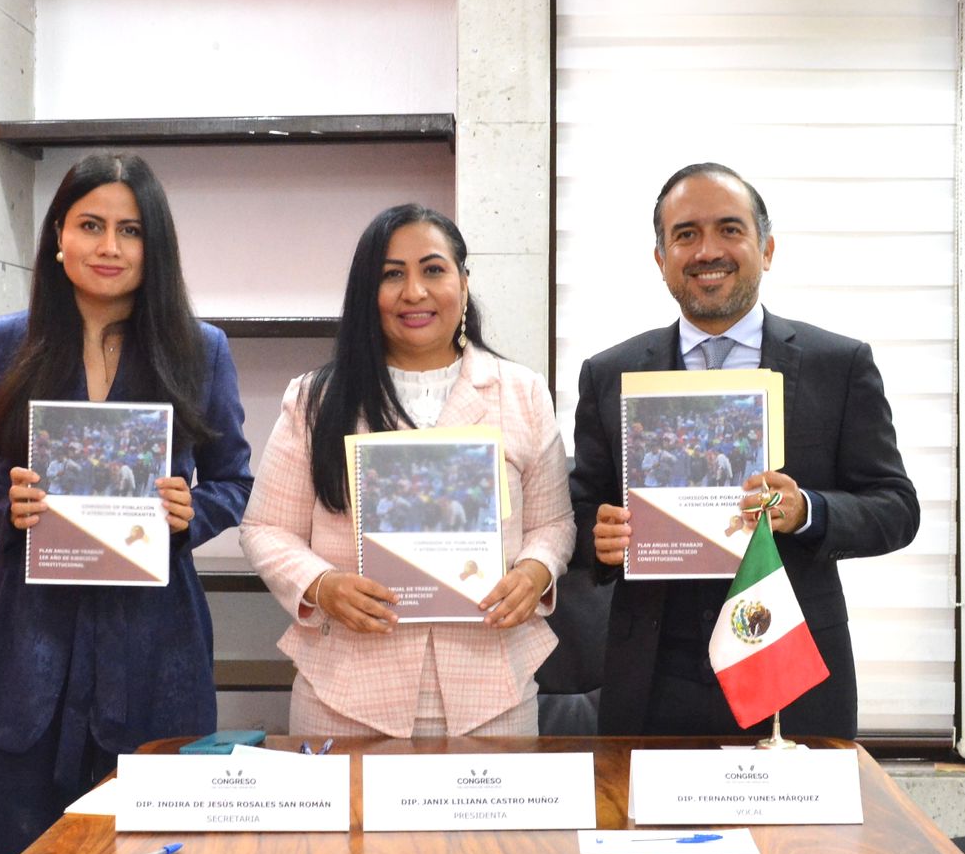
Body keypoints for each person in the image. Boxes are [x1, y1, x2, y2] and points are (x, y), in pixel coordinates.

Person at [0, 153, 252, 854]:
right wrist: (4, 508)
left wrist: (192, 513)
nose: (109, 247)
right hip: (26, 650)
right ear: (58, 237)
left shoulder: (200, 349)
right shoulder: (1, 343)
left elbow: (234, 479)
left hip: (153, 648)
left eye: (130, 230)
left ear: (154, 245)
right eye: (90, 226)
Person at [570, 163, 918, 739]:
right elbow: (580, 511)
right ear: (660, 259)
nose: (708, 250)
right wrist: (598, 539)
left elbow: (896, 508)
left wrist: (807, 510)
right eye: (685, 235)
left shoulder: (839, 365)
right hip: (653, 677)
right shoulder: (610, 373)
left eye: (730, 230)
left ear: (767, 249)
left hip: (791, 669)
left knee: (799, 806)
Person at [240, 203, 574, 737]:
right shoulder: (314, 399)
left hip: (493, 692)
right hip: (346, 693)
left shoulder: (523, 392)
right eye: (392, 275)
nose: (414, 292)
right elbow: (264, 528)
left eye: (433, 270)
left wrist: (535, 572)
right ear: (366, 292)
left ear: (464, 283)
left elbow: (554, 524)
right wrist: (321, 585)